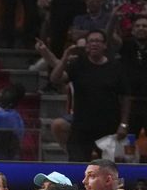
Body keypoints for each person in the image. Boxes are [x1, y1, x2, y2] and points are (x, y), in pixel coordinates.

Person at [49, 30, 130, 161]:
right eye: (91, 41)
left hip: (108, 126)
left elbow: (126, 97)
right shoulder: (78, 65)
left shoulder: (116, 67)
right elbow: (55, 79)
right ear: (86, 46)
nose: (94, 44)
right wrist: (65, 57)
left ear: (105, 45)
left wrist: (124, 124)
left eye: (98, 41)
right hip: (81, 126)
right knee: (77, 165)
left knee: (108, 169)